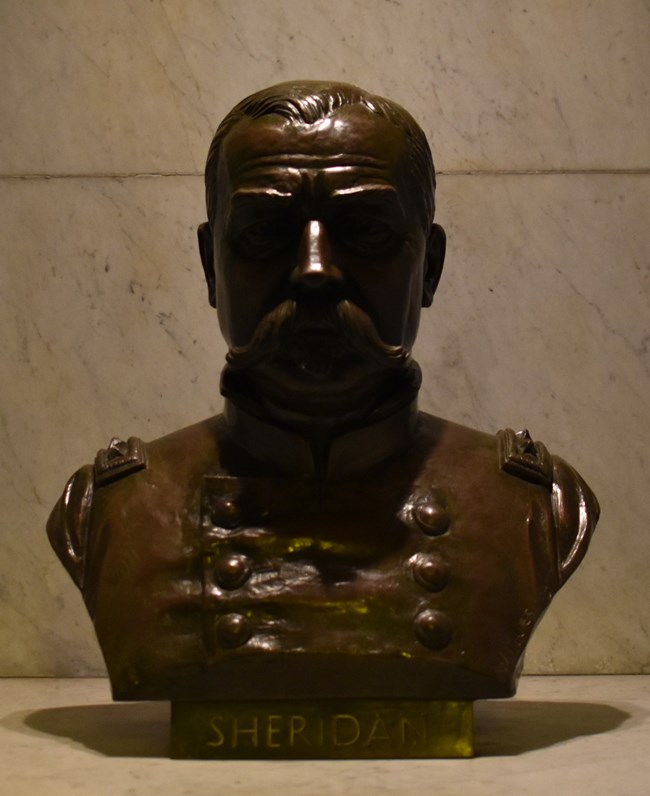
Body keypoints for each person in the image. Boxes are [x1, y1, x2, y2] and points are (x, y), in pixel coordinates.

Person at [47, 82, 599, 702]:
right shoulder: (111, 513)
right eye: (264, 234)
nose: (314, 271)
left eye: (364, 230)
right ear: (210, 266)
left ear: (431, 267)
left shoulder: (533, 507)